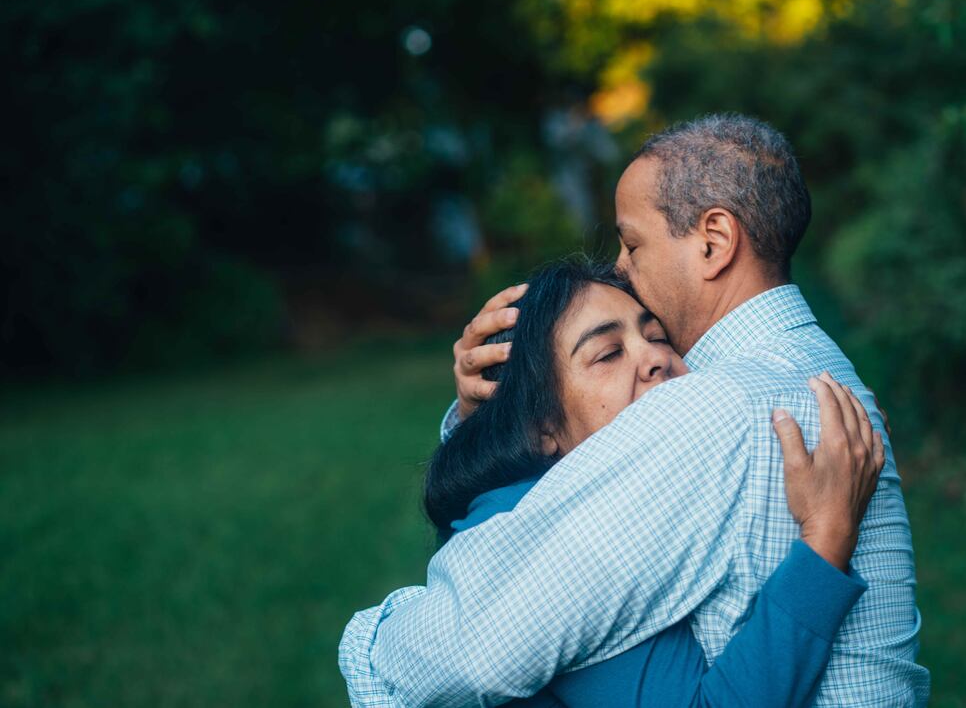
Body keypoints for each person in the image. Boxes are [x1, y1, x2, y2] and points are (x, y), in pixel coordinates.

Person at [340, 113, 929, 706]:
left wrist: (372, 639)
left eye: (633, 242)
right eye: (608, 352)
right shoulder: (811, 368)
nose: (621, 267)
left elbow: (466, 650)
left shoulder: (714, 407)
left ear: (714, 241)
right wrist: (490, 408)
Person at [422, 258, 883, 706]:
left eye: (657, 336)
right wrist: (826, 537)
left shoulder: (580, 495)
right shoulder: (570, 547)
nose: (657, 358)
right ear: (541, 429)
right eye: (607, 354)